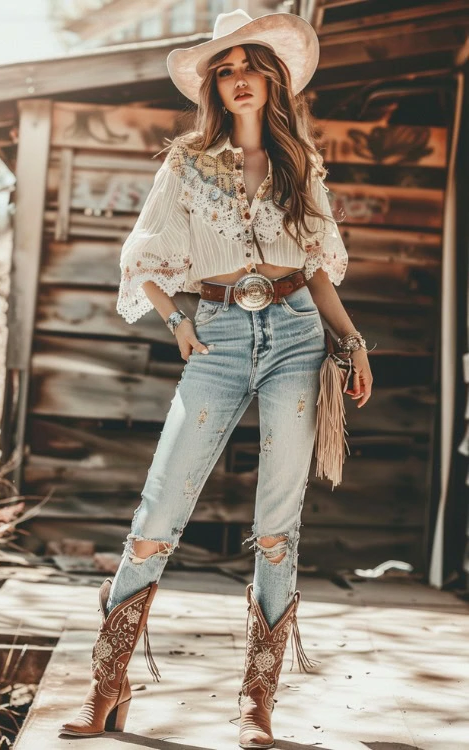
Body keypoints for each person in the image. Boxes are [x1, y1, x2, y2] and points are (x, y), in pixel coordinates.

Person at [60, 8, 373, 748]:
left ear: (273, 78)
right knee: (157, 514)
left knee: (275, 528)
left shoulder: (302, 165)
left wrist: (352, 340)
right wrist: (178, 320)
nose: (238, 79)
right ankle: (108, 683)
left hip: (297, 335)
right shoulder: (186, 165)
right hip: (220, 335)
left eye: (249, 65)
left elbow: (319, 271)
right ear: (215, 86)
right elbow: (141, 260)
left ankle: (256, 705)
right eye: (224, 69)